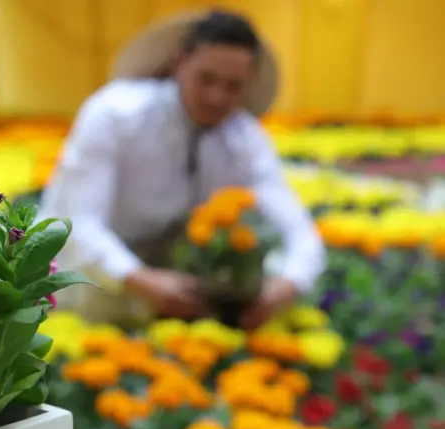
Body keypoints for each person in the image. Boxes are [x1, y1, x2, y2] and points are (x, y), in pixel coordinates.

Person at [38, 10, 326, 331]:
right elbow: (79, 225)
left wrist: (284, 288)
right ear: (178, 63)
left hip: (175, 286)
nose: (217, 97)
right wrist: (141, 280)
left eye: (233, 86)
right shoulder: (114, 116)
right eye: (206, 79)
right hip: (81, 279)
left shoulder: (245, 139)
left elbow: (301, 234)